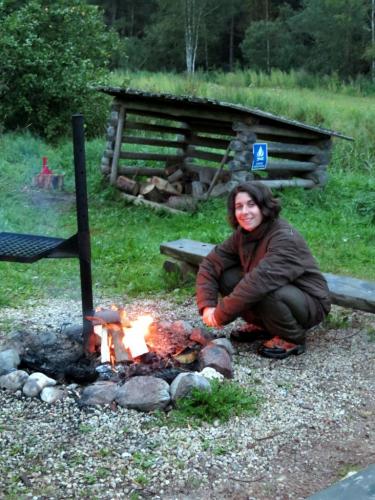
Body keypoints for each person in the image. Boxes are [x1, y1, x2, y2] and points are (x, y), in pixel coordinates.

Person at [196, 182, 331, 359]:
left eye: (251, 204)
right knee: (227, 276)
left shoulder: (284, 237)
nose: (244, 212)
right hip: (275, 290)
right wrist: (207, 306)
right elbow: (211, 264)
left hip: (309, 302)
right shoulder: (243, 234)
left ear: (264, 206)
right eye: (239, 207)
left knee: (263, 290)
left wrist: (220, 315)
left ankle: (292, 337)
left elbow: (259, 283)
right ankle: (264, 326)